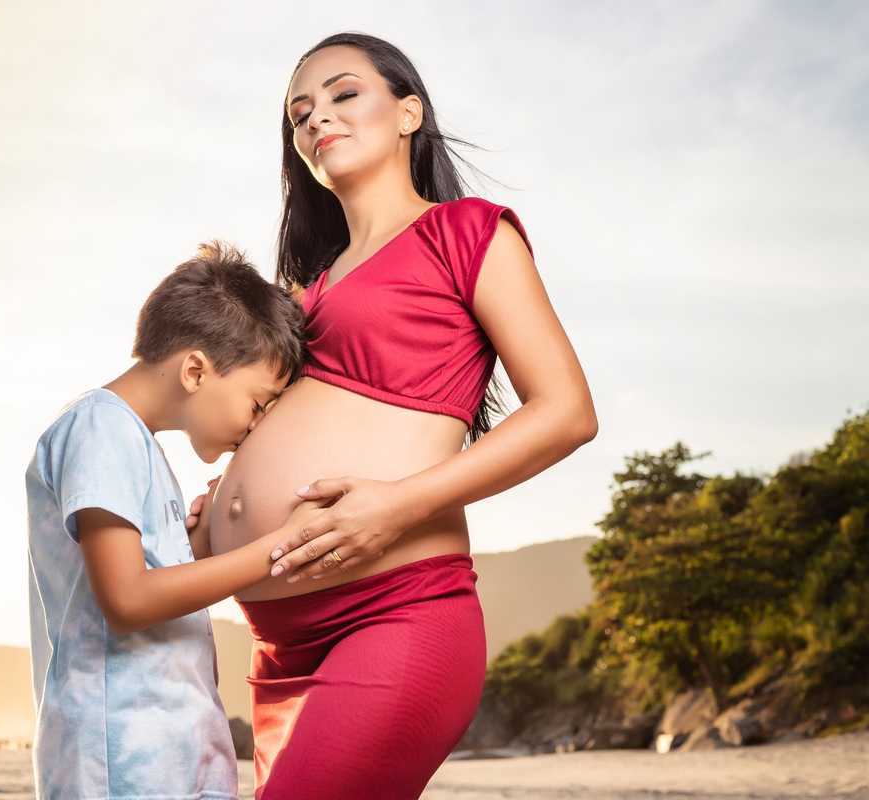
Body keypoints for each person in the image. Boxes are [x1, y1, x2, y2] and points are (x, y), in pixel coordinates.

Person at [191, 33, 599, 800]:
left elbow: (567, 412)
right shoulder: (302, 289)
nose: (317, 118)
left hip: (392, 613)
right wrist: (221, 510)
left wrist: (396, 506)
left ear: (409, 113)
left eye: (343, 94)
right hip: (277, 647)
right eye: (299, 114)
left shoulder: (467, 233)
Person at [25, 242, 321, 800]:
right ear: (194, 370)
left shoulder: (140, 448)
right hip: (120, 768)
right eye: (259, 403)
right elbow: (128, 600)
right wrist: (279, 547)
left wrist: (197, 548)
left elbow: (149, 588)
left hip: (174, 758)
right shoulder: (101, 429)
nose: (257, 424)